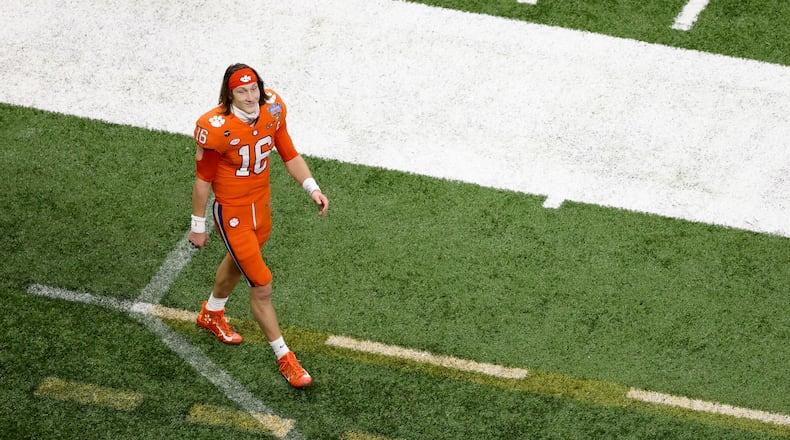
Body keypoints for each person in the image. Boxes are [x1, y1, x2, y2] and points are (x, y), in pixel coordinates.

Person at [187, 63, 329, 389]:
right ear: (229, 93)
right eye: (242, 91)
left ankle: (212, 312)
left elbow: (288, 152)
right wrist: (198, 225)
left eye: (254, 89)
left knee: (239, 264)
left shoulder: (272, 109)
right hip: (233, 213)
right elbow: (202, 181)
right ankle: (285, 358)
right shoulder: (217, 128)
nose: (250, 97)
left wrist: (313, 188)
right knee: (262, 285)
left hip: (261, 210)